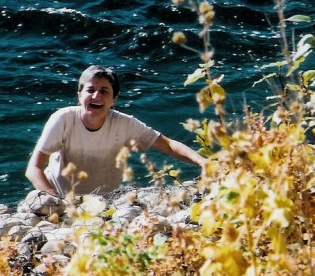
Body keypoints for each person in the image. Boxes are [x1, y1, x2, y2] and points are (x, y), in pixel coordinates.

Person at [25, 65, 206, 197]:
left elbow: (167, 145)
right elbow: (33, 168)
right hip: (61, 199)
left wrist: (203, 162)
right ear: (79, 95)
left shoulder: (123, 123)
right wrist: (55, 201)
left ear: (114, 100)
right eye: (90, 90)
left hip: (106, 204)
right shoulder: (63, 119)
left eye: (104, 91)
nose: (96, 96)